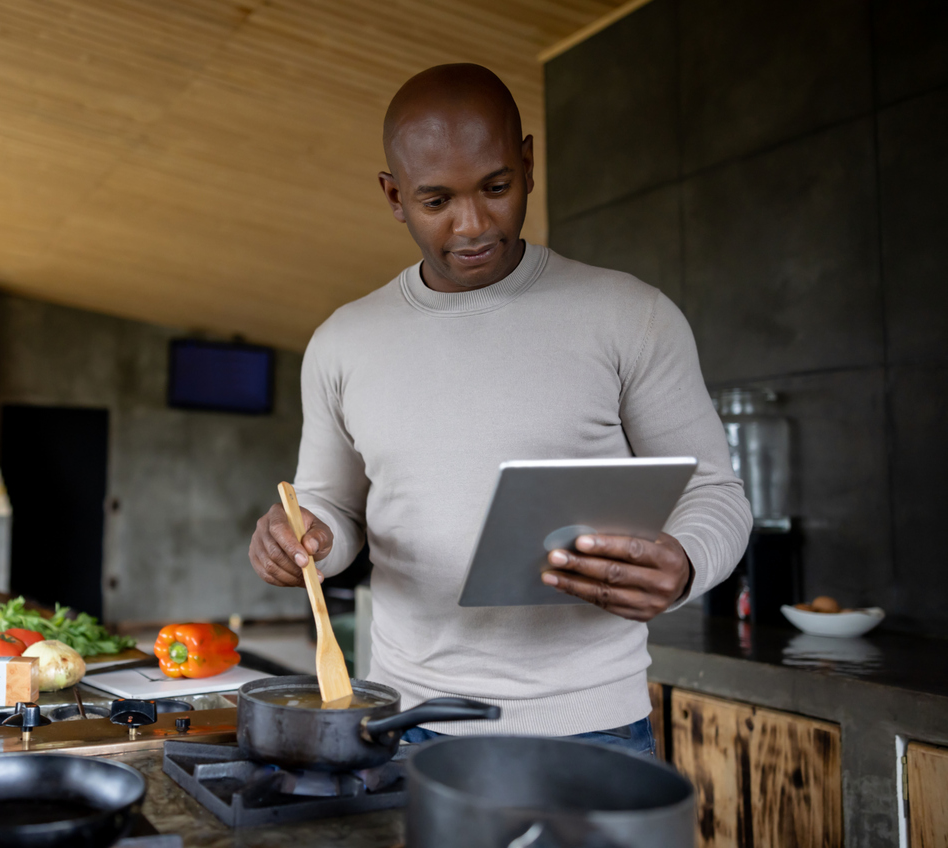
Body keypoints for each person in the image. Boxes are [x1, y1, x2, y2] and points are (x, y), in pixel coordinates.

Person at [248, 64, 751, 754]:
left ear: (528, 162)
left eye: (496, 187)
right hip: (407, 723)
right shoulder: (342, 341)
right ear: (393, 195)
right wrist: (301, 538)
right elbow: (331, 506)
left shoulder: (631, 315)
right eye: (435, 201)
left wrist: (686, 562)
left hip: (595, 728)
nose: (474, 224)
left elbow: (713, 490)